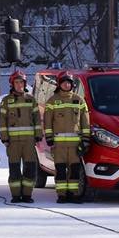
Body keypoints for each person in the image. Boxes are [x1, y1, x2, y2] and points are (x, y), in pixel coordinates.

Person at [42, 73, 90, 204]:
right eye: (64, 83)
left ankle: (73, 195)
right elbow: (47, 121)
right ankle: (62, 195)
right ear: (59, 84)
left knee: (74, 170)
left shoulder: (79, 100)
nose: (66, 85)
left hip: (75, 145)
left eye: (69, 82)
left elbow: (85, 121)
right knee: (61, 170)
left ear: (72, 84)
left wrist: (85, 139)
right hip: (59, 145)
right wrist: (49, 137)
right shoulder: (52, 101)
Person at [0, 70, 42, 203]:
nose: (19, 85)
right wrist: (5, 138)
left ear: (25, 83)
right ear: (12, 84)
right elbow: (2, 121)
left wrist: (38, 135)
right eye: (16, 82)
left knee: (30, 168)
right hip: (13, 143)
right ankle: (16, 195)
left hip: (29, 142)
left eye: (21, 82)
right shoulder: (6, 101)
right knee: (14, 169)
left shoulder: (31, 100)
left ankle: (27, 195)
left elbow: (37, 119)